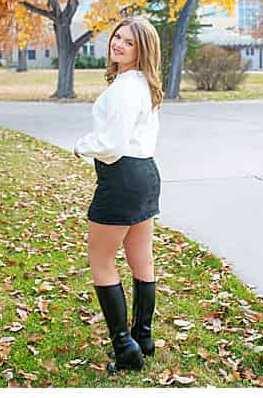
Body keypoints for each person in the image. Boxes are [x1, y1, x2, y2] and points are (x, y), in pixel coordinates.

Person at [73, 19, 163, 374]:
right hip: (146, 174)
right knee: (142, 257)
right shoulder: (144, 83)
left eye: (129, 41)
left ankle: (125, 349)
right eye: (117, 37)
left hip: (123, 176)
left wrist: (82, 146)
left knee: (101, 259)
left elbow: (112, 144)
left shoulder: (127, 87)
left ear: (143, 49)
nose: (119, 44)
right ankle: (143, 337)